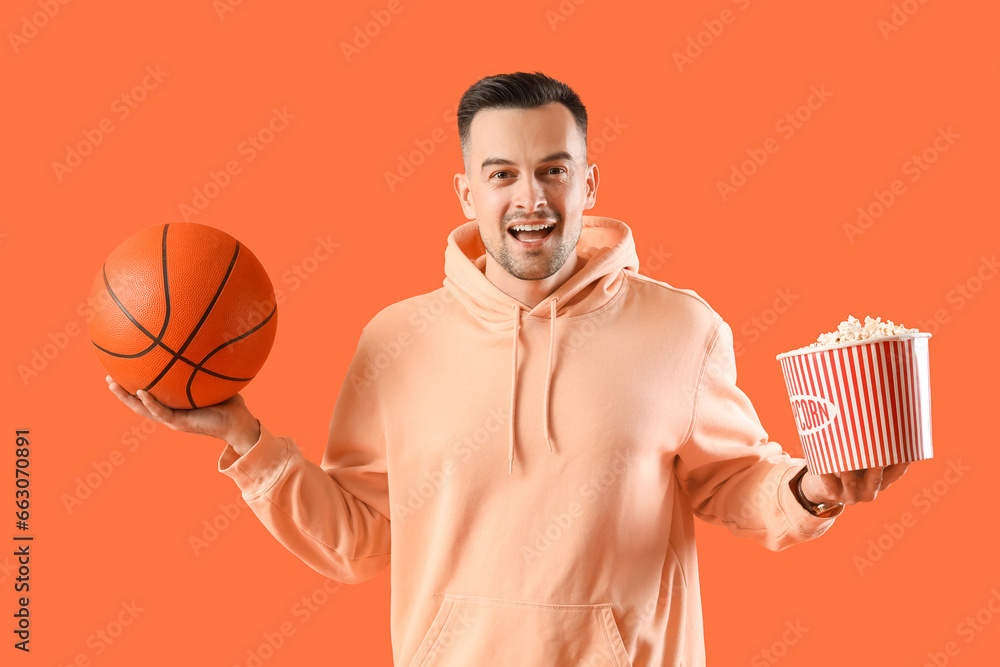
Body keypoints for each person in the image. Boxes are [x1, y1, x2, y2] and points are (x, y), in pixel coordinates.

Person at [108, 71, 910, 666]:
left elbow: (735, 482)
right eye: (502, 174)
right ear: (466, 192)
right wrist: (245, 438)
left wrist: (812, 487)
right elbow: (360, 539)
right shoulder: (395, 342)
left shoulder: (681, 328)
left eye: (554, 169)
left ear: (588, 182)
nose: (532, 197)